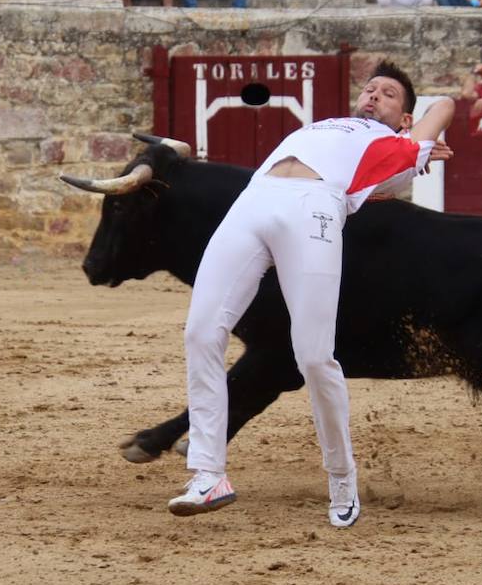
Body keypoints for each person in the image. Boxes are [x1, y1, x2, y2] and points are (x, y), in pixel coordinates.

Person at [169, 62, 456, 529]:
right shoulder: (338, 128)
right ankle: (208, 475)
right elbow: (379, 183)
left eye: (387, 94)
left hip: (314, 208)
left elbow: (445, 105)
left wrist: (419, 140)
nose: (373, 96)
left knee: (314, 355)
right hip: (254, 198)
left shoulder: (400, 147)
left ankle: (341, 479)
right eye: (369, 89)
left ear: (405, 117)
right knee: (200, 332)